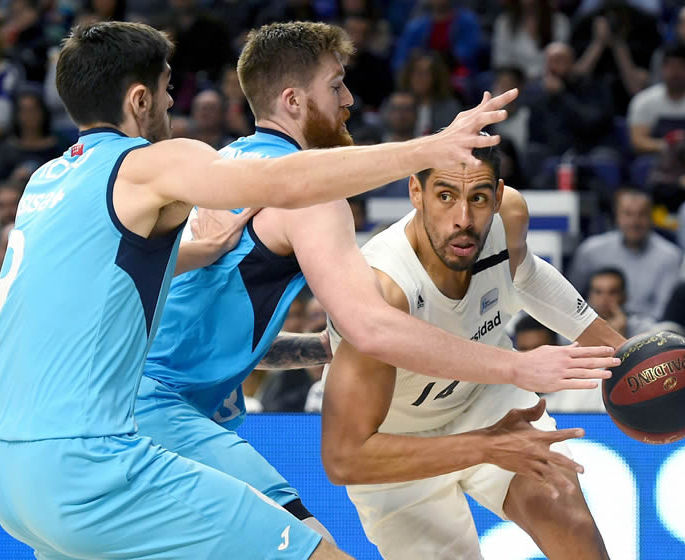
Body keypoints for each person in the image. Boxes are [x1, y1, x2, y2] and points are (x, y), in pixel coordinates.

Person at [0, 19, 540, 560]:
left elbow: (112, 296)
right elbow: (287, 185)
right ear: (139, 101)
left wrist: (201, 258)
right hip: (105, 447)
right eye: (168, 91)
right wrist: (430, 149)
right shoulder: (157, 165)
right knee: (318, 554)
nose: (174, 104)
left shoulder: (46, 182)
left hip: (7, 472)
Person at [135, 22, 619, 556]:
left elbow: (198, 325)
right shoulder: (307, 199)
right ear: (294, 100)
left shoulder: (224, 170)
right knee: (313, 549)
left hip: (152, 404)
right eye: (336, 85)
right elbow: (370, 331)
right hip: (169, 414)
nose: (349, 99)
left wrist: (321, 347)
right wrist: (520, 366)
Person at [321, 142, 625, 559]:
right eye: (445, 196)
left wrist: (621, 349)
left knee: (568, 521)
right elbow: (344, 459)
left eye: (478, 198)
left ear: (498, 196)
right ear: (415, 192)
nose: (463, 220)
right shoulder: (383, 292)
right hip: (394, 444)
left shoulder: (508, 216)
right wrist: (486, 445)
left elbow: (526, 275)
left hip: (484, 398)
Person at [568, 188, 681, 321]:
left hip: (647, 332)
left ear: (651, 217)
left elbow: (664, 311)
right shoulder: (590, 251)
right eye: (628, 214)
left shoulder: (670, 256)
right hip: (595, 325)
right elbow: (572, 300)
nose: (634, 222)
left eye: (642, 214)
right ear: (617, 216)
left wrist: (630, 329)